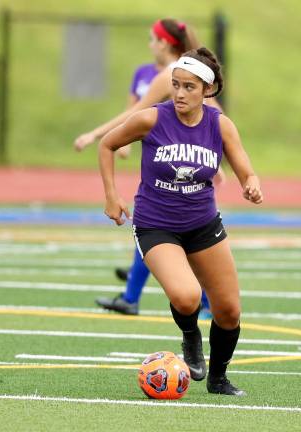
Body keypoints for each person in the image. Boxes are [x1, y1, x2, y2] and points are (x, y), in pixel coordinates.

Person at [97, 47, 263, 396]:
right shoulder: (152, 119)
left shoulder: (219, 125)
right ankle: (191, 338)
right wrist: (112, 195)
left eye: (189, 87)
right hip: (157, 225)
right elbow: (108, 145)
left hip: (203, 225)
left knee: (229, 311)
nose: (179, 93)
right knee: (187, 298)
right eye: (175, 85)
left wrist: (251, 182)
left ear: (207, 89)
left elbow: (243, 164)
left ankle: (218, 379)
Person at [75, 18, 221, 318]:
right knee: (155, 227)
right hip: (162, 163)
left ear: (165, 43)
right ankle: (134, 295)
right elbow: (136, 115)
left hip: (182, 167)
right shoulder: (160, 74)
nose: (150, 44)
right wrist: (117, 140)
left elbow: (214, 115)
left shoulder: (175, 74)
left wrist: (95, 134)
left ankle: (201, 303)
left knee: (172, 232)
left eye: (153, 39)